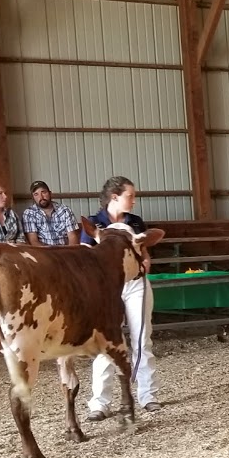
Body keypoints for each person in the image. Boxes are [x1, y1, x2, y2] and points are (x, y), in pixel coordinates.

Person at [84, 177, 159, 418]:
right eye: (130, 195)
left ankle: (148, 395)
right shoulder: (95, 223)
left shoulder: (135, 223)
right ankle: (99, 402)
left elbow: (143, 252)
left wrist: (146, 261)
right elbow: (86, 256)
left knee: (141, 338)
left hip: (136, 283)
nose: (134, 200)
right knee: (107, 342)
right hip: (109, 288)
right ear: (114, 196)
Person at [21, 180, 79, 247]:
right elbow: (34, 241)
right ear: (33, 198)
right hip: (43, 253)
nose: (41, 197)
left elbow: (73, 237)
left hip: (64, 251)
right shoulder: (29, 214)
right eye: (36, 194)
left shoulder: (65, 210)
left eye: (44, 192)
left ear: (50, 193)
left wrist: (69, 253)